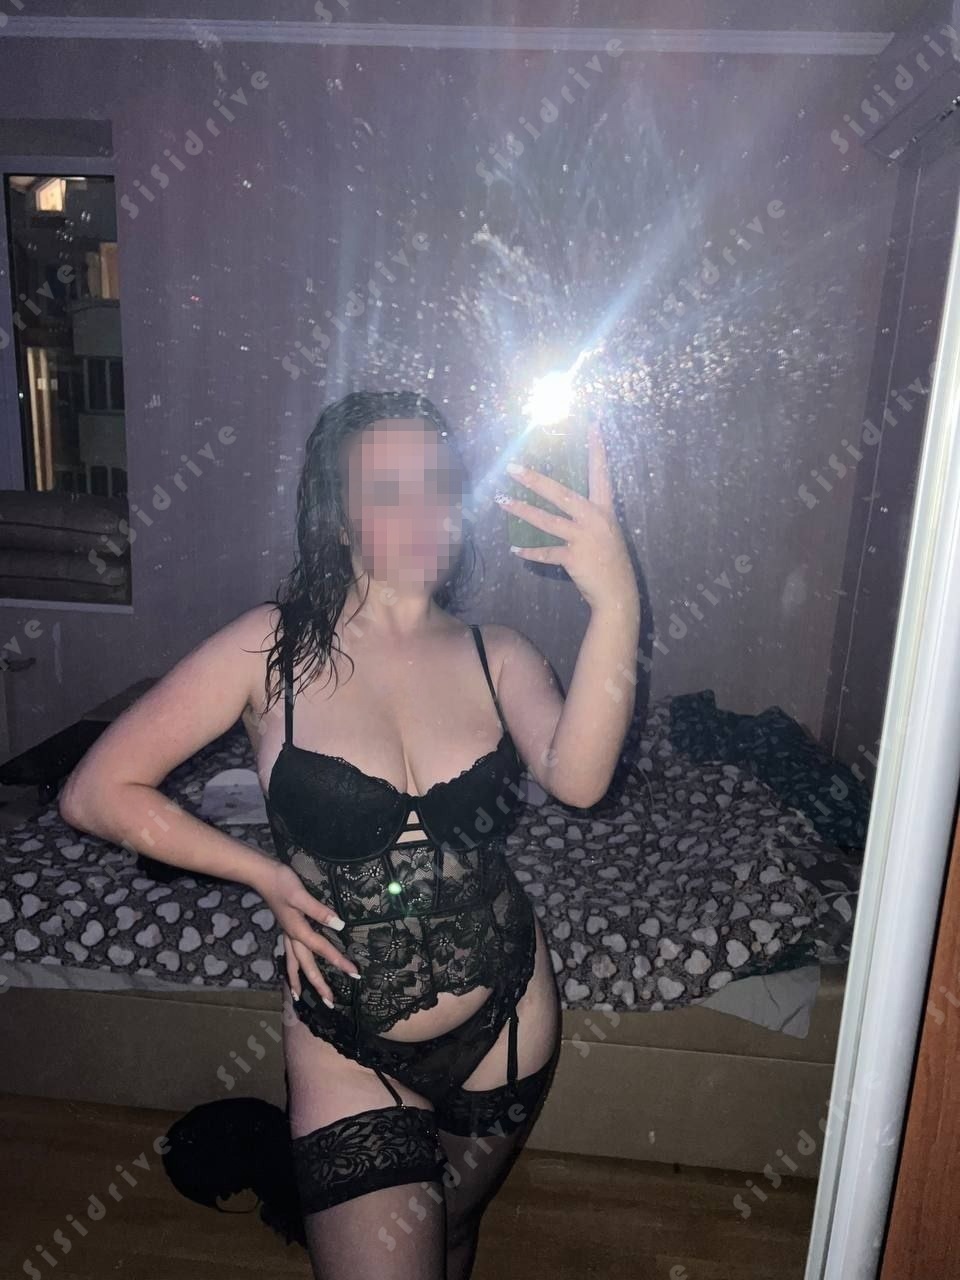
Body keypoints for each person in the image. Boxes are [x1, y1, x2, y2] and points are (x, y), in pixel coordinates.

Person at [59, 389, 641, 1279]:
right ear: (336, 518)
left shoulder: (501, 653)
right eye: (388, 491)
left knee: (452, 1232)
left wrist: (617, 603)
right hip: (345, 1041)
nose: (424, 512)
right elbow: (95, 792)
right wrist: (262, 875)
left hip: (510, 1016)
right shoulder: (270, 649)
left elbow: (581, 779)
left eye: (438, 483)